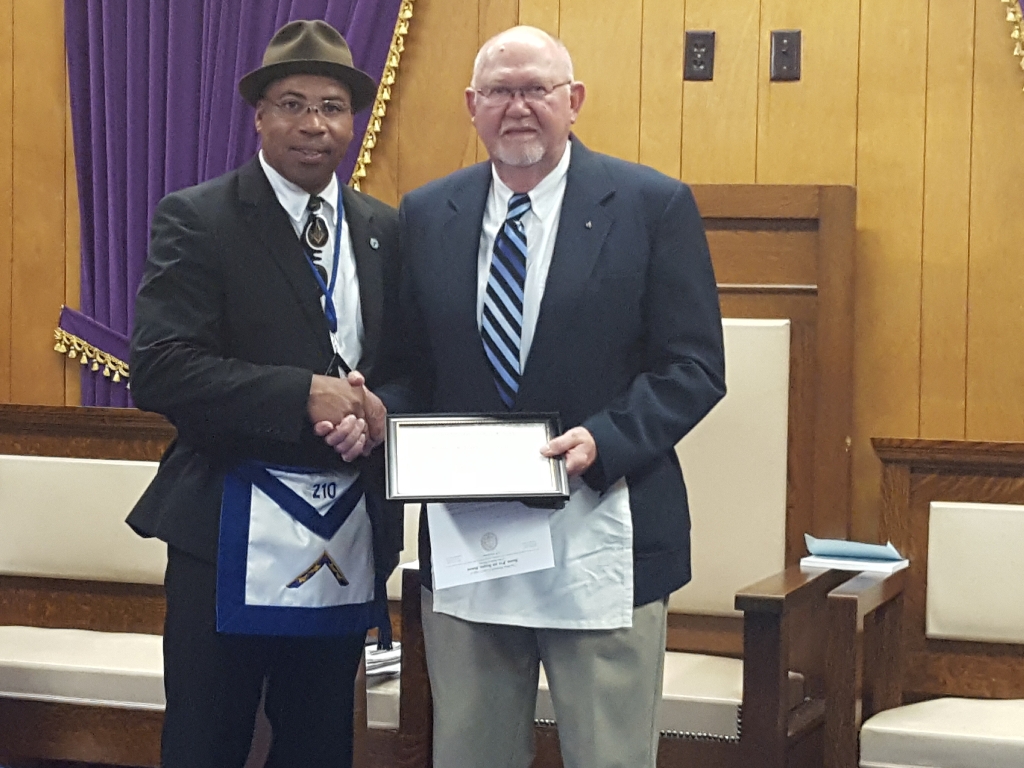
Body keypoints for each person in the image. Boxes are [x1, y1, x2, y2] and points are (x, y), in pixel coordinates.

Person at [379, 25, 726, 768]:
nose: (518, 107)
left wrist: (606, 438)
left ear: (574, 101)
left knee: (609, 756)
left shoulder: (652, 205)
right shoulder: (426, 213)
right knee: (470, 755)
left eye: (536, 89)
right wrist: (382, 412)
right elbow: (409, 365)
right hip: (470, 539)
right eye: (499, 91)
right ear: (472, 106)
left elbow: (693, 366)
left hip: (601, 526)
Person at [126, 20, 401, 768]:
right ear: (259, 116)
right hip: (224, 528)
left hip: (344, 530)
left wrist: (380, 413)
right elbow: (160, 367)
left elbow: (412, 367)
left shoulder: (384, 229)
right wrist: (299, 395)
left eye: (332, 107)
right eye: (292, 104)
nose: (314, 124)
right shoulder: (199, 218)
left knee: (319, 744)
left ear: (352, 120)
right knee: (207, 742)